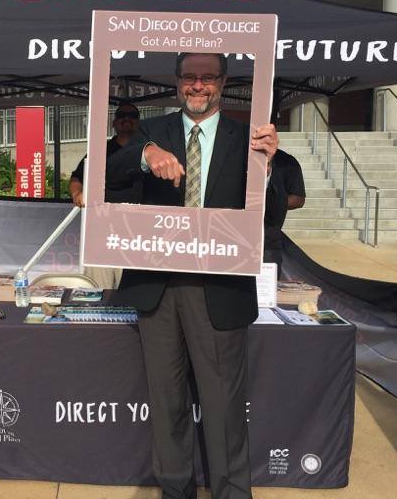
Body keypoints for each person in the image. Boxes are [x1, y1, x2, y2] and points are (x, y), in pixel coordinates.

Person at [106, 53, 281, 499]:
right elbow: (106, 175)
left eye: (207, 77)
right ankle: (175, 491)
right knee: (167, 404)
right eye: (189, 77)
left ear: (223, 82)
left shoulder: (250, 138)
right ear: (176, 81)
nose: (197, 86)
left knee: (223, 408)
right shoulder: (151, 131)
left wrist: (268, 168)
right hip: (159, 289)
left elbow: (274, 217)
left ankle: (231, 492)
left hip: (219, 288)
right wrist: (144, 155)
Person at [69, 102, 142, 206]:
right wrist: (77, 195)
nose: (127, 118)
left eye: (132, 115)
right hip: (105, 211)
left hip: (142, 212)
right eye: (121, 115)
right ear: (114, 123)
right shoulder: (100, 150)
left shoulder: (148, 149)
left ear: (139, 123)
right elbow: (77, 177)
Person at [263, 149, 306, 270]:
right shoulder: (235, 156)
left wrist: (272, 202)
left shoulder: (287, 162)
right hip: (233, 242)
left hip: (268, 242)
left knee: (265, 281)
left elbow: (298, 198)